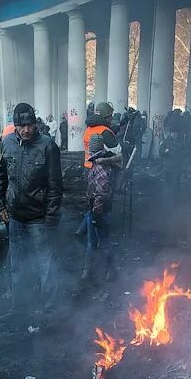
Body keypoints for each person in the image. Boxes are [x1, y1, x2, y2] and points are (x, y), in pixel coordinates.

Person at [0, 102, 63, 325]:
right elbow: (0, 176)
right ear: (15, 125)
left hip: (39, 218)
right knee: (17, 265)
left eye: (30, 124)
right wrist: (0, 206)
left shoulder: (47, 146)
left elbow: (55, 185)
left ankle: (50, 311)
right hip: (15, 217)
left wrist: (51, 216)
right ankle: (18, 308)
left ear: (35, 124)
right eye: (21, 125)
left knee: (46, 265)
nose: (26, 130)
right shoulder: (7, 144)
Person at [82, 102, 123, 283]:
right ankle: (106, 270)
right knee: (100, 237)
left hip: (91, 176)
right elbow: (119, 156)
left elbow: (100, 193)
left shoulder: (88, 129)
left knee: (96, 237)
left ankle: (101, 270)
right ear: (107, 116)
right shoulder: (106, 133)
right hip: (100, 191)